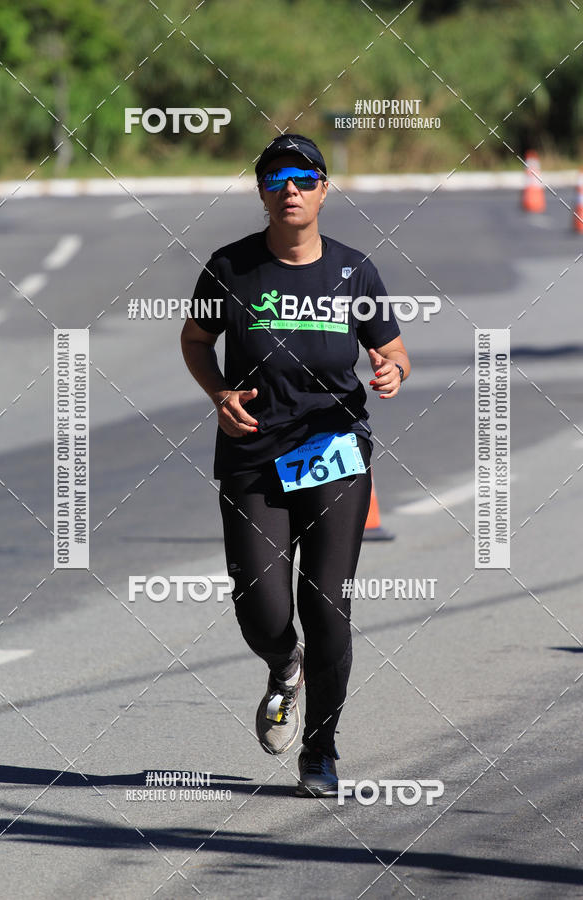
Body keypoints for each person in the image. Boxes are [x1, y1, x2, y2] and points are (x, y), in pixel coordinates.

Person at [180, 134, 410, 797]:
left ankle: (321, 749)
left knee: (327, 606)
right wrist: (218, 391)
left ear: (322, 190)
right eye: (277, 179)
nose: (291, 189)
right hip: (252, 454)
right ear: (261, 192)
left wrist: (390, 369)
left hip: (333, 453)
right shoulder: (229, 268)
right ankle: (286, 667)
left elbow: (394, 350)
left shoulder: (353, 271)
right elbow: (197, 339)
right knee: (260, 606)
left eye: (304, 178)